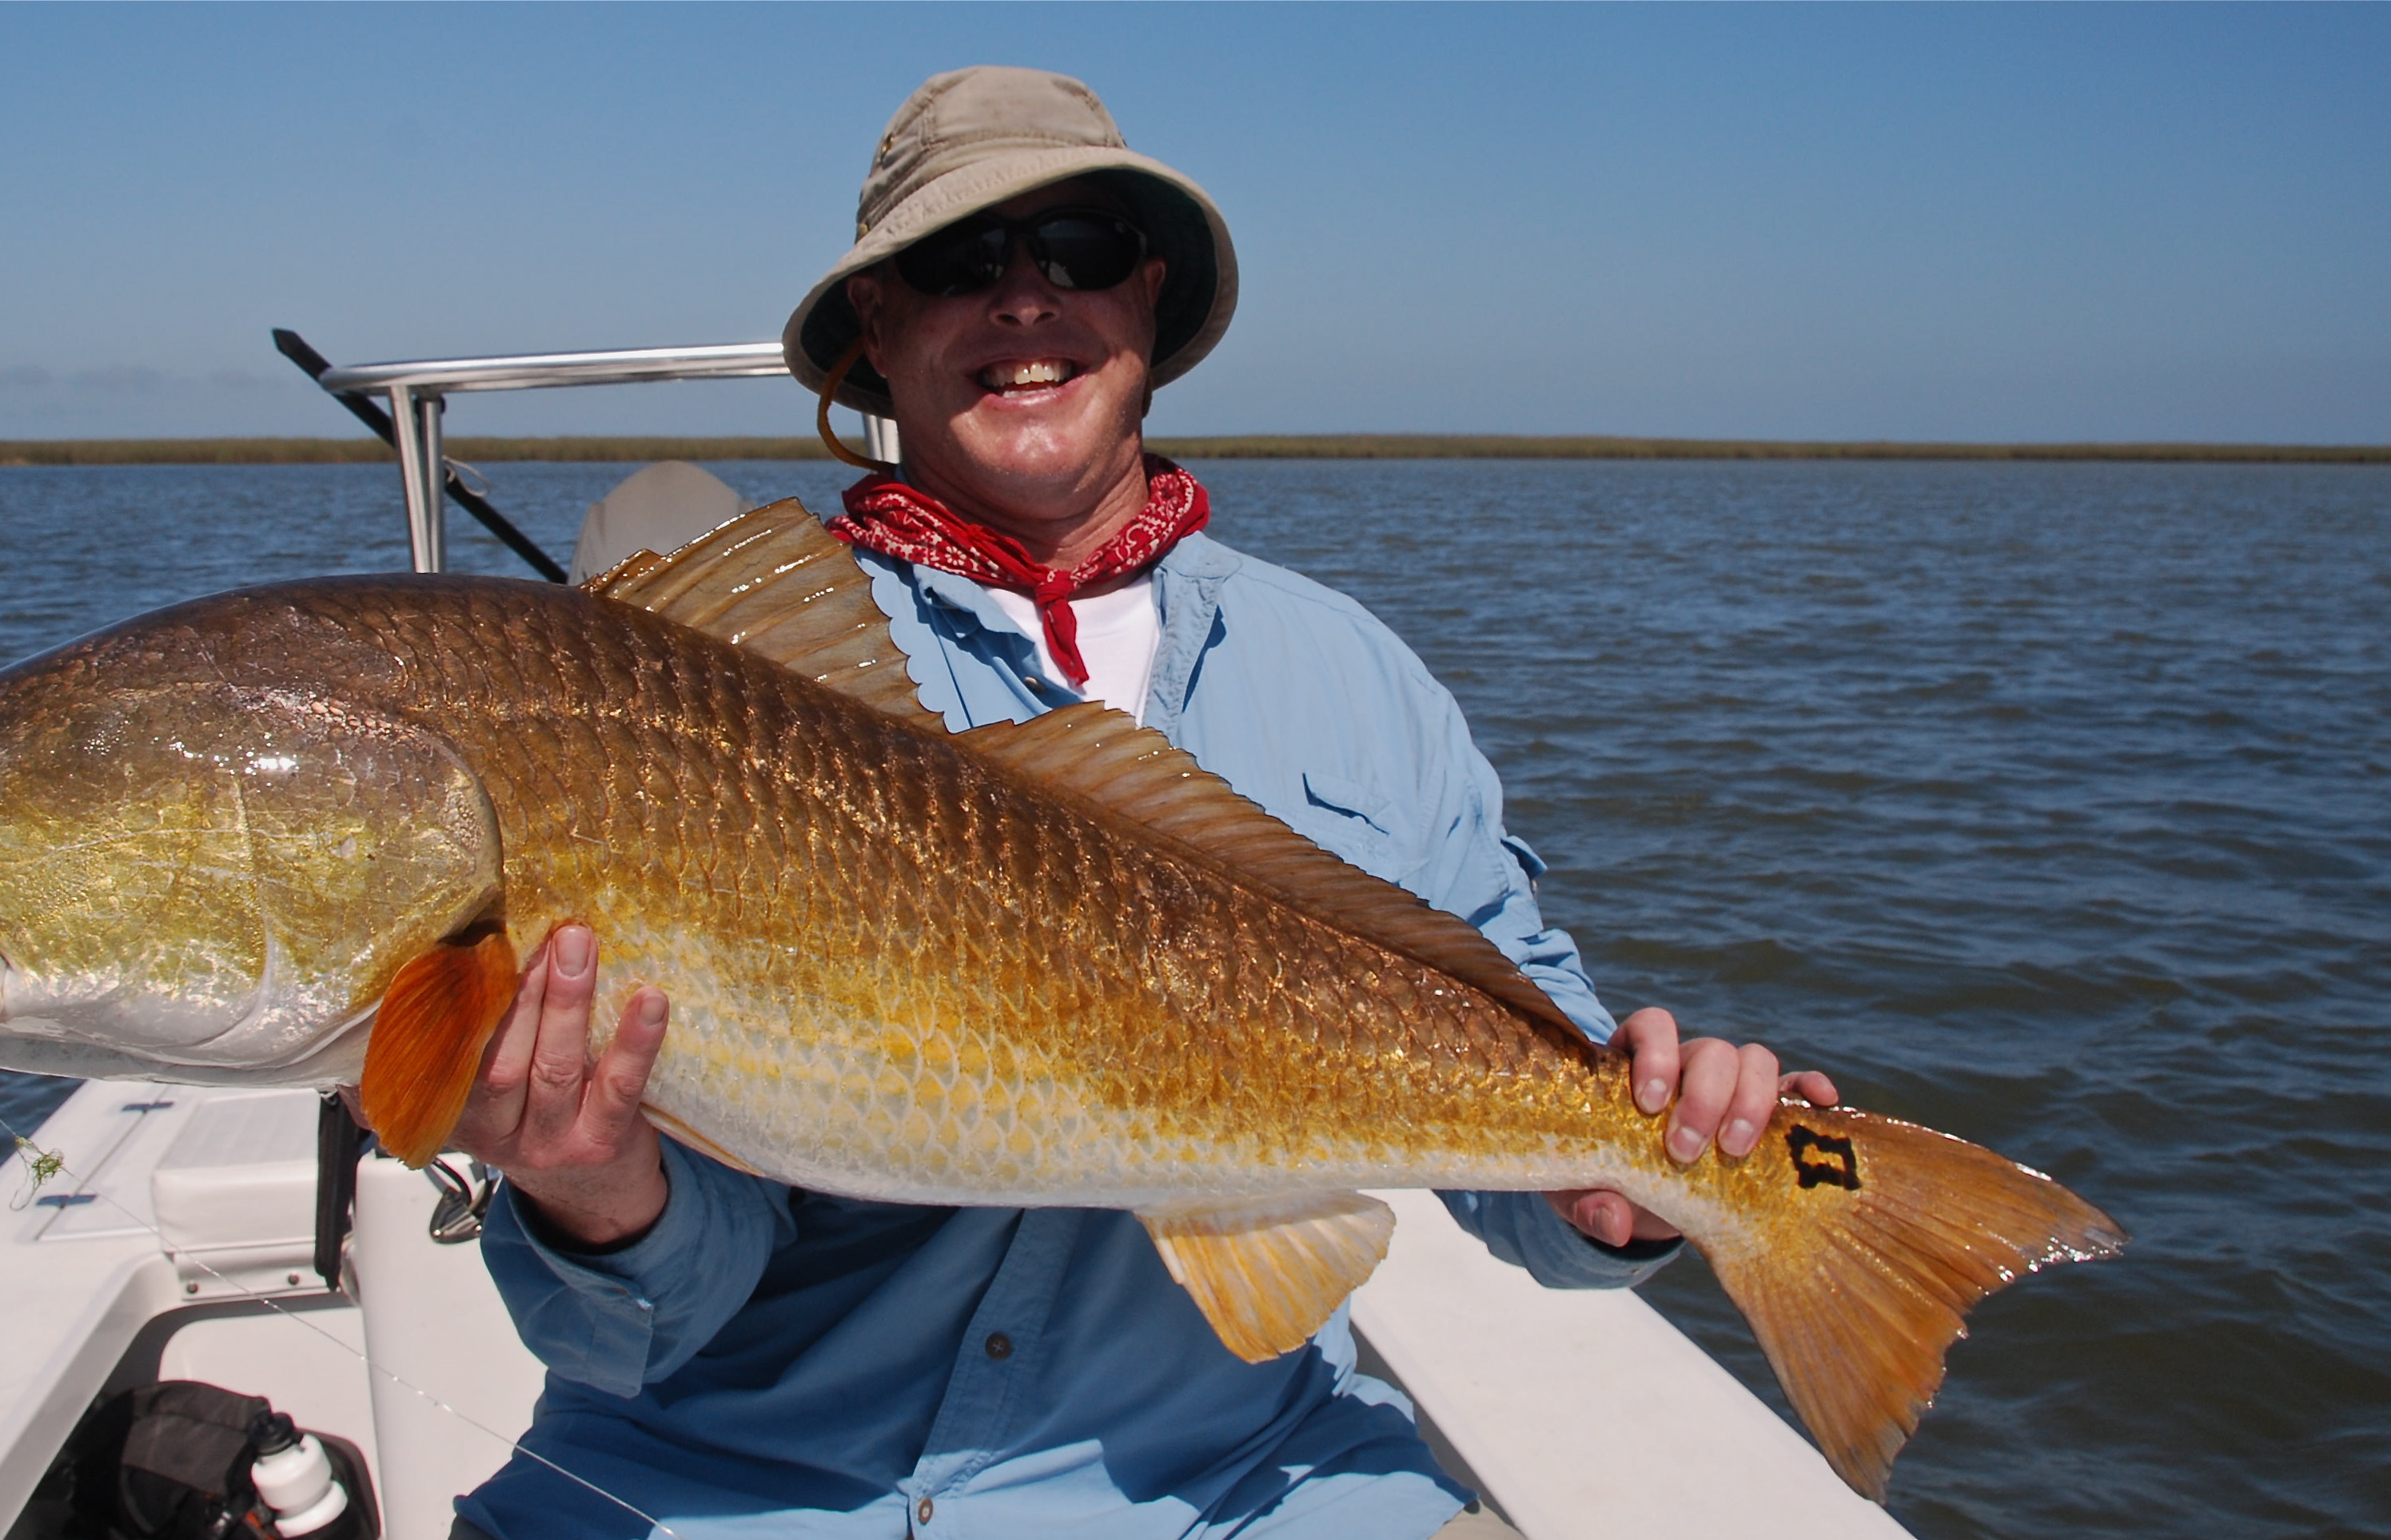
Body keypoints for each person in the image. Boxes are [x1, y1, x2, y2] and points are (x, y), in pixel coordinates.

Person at [444, 66, 1836, 1540]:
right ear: (878, 322)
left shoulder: (1348, 672)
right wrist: (592, 1187)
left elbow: (1526, 1117)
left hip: (1252, 1492)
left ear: (1149, 300)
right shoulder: (702, 685)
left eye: (1083, 253)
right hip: (735, 1495)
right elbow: (633, 1328)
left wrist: (1613, 1186)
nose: (1026, 301)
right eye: (959, 263)